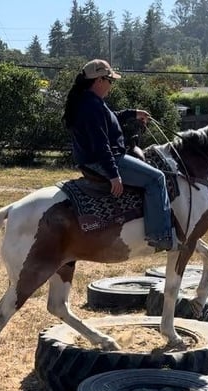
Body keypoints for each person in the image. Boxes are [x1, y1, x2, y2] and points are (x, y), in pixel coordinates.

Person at [63, 59, 176, 252]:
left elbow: (110, 117)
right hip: (105, 161)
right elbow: (101, 144)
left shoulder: (88, 102)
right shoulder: (92, 105)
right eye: (110, 80)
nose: (111, 85)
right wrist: (113, 174)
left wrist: (133, 113)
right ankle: (160, 235)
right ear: (99, 80)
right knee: (157, 178)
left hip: (94, 160)